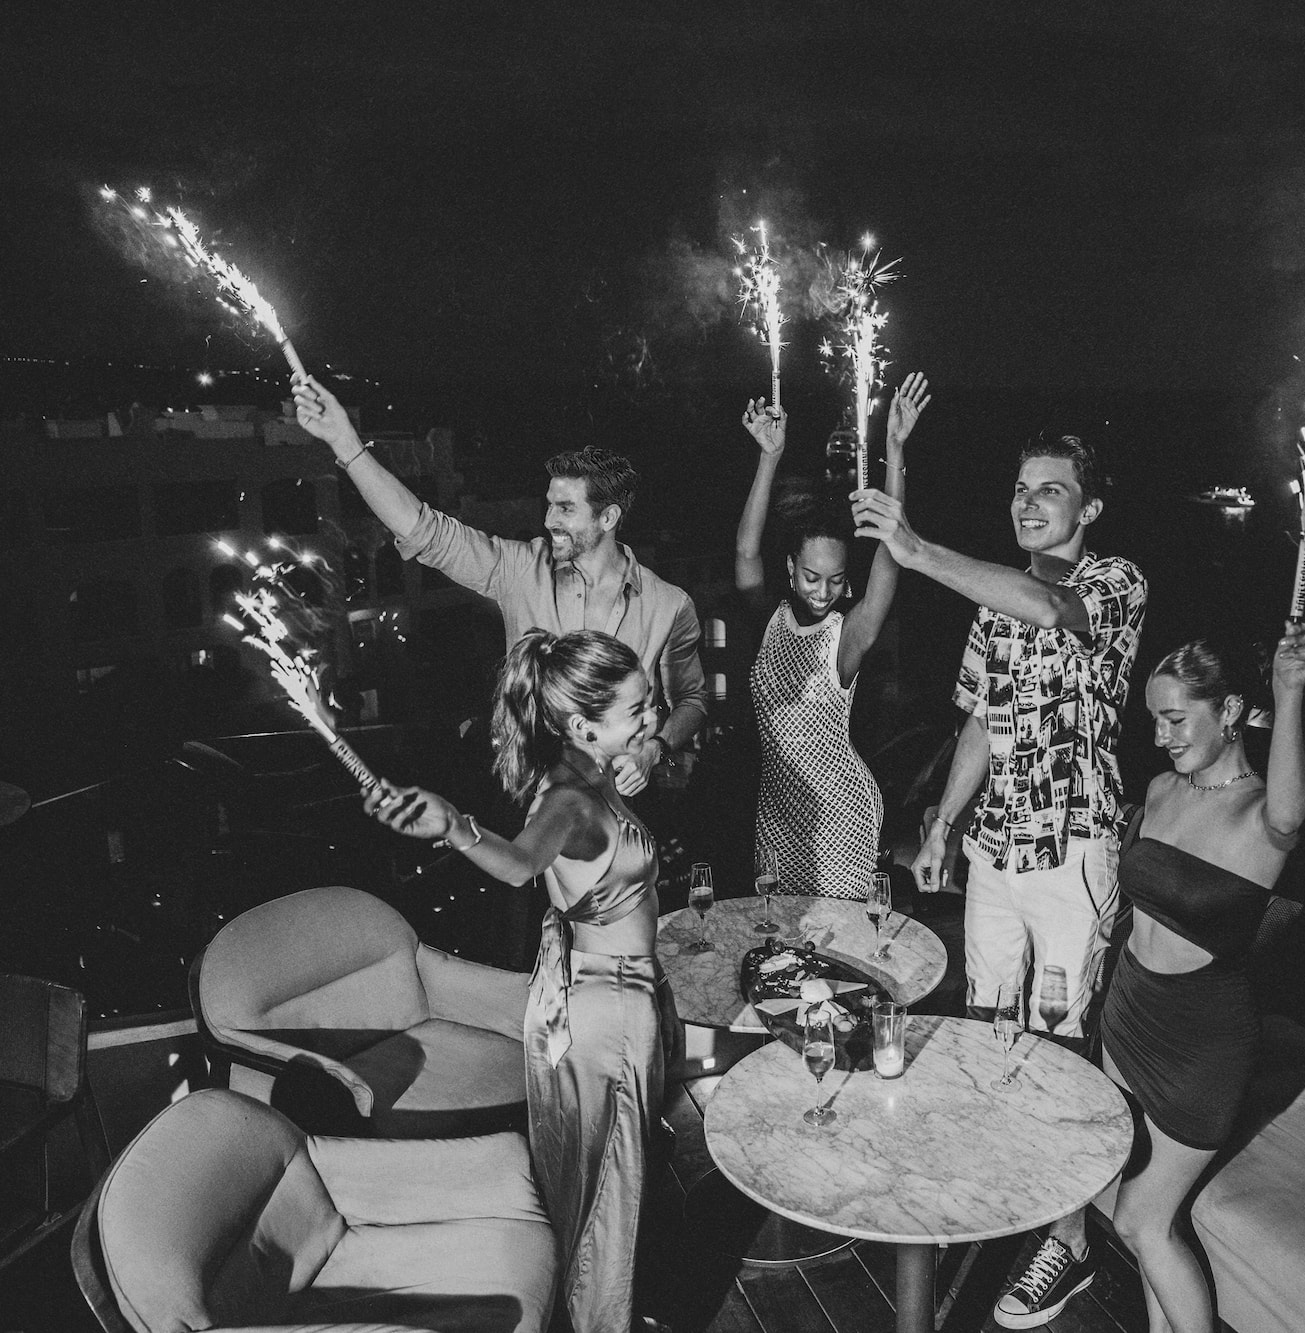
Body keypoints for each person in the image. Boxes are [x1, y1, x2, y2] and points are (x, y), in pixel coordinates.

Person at [854, 433, 1146, 1328]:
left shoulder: (1114, 582)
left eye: (1051, 490)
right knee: (986, 1028)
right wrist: (943, 822)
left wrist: (914, 550)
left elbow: (1050, 607)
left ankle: (1068, 1241)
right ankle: (992, 1190)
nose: (1028, 502)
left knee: (1061, 1044)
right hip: (995, 848)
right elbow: (981, 719)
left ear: (1089, 508)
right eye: (1021, 488)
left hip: (1072, 848)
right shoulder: (994, 598)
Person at [361, 628, 674, 1333]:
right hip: (606, 1008)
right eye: (636, 711)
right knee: (610, 1177)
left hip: (616, 991)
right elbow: (519, 865)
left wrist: (647, 750)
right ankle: (599, 1321)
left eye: (648, 703)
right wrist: (454, 825)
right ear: (582, 725)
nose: (650, 718)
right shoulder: (567, 800)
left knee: (608, 1168)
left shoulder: (592, 771)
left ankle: (595, 1307)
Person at [293, 376, 706, 798]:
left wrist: (654, 750)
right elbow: (425, 531)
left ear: (608, 517)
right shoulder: (520, 569)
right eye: (549, 505)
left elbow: (692, 701)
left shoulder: (669, 604)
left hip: (621, 806)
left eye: (565, 508)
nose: (548, 520)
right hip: (530, 796)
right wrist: (346, 443)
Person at [1100, 625, 1305, 1333]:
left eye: (1176, 718)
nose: (1161, 736)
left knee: (1141, 1221)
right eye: (1155, 720)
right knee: (1143, 1212)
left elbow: (1291, 812)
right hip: (1128, 1011)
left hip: (1200, 1041)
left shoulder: (1262, 817)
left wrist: (1288, 692)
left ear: (1228, 711)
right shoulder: (1161, 789)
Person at [734, 374, 931, 897]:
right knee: (778, 933)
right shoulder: (771, 621)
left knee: (836, 939)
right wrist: (769, 458)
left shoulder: (846, 637)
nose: (823, 592)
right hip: (777, 813)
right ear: (790, 568)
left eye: (837, 580)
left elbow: (890, 560)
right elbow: (746, 552)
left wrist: (894, 451)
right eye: (811, 577)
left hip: (839, 817)